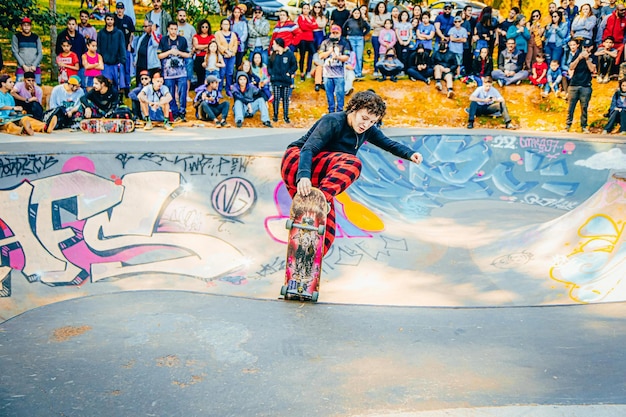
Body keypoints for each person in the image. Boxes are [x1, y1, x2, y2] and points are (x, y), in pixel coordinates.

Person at [280, 90, 423, 256]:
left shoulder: (368, 130)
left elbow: (388, 144)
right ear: (354, 109)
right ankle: (317, 201)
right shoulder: (333, 121)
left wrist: (409, 153)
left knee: (326, 231)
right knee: (352, 163)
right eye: (364, 118)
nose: (366, 125)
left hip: (318, 178)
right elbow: (309, 148)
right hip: (298, 162)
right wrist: (303, 175)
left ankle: (304, 261)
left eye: (372, 122)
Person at [158, 21, 191, 122]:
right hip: (168, 72)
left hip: (181, 71)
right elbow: (159, 55)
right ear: (168, 29)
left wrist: (179, 53)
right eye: (171, 29)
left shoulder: (182, 40)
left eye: (175, 29)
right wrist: (170, 52)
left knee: (182, 92)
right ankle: (175, 112)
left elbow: (188, 54)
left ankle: (182, 112)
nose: (173, 31)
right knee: (170, 93)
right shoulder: (163, 40)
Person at [564, 39, 595, 133]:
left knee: (584, 107)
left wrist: (587, 59)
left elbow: (592, 69)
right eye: (584, 47)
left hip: (586, 85)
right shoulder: (577, 55)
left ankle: (584, 126)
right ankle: (567, 125)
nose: (586, 49)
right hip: (574, 85)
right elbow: (571, 67)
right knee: (570, 107)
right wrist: (579, 58)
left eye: (587, 47)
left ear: (591, 47)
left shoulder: (593, 57)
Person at [319, 24, 351, 113]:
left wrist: (337, 57)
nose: (335, 34)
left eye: (337, 33)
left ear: (340, 33)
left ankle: (340, 111)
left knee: (340, 93)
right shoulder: (325, 42)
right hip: (327, 73)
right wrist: (330, 51)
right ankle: (331, 111)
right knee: (329, 94)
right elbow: (321, 55)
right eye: (333, 32)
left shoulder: (344, 43)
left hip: (339, 74)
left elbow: (347, 56)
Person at [268, 38, 297, 123]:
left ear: (278, 45)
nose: (273, 46)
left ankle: (286, 116)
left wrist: (289, 72)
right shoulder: (273, 55)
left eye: (274, 44)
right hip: (276, 80)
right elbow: (269, 66)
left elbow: (294, 65)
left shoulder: (289, 54)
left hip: (286, 80)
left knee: (285, 98)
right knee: (276, 98)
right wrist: (271, 74)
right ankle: (275, 115)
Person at [98, 13, 126, 90]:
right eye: (108, 19)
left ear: (114, 21)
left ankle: (118, 99)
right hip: (105, 63)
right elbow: (99, 47)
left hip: (116, 62)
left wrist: (122, 59)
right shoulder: (101, 33)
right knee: (106, 83)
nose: (110, 21)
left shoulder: (119, 33)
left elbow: (122, 46)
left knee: (119, 84)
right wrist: (100, 60)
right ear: (105, 20)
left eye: (111, 19)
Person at [11, 17, 43, 84]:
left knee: (36, 88)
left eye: (28, 25)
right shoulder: (16, 37)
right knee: (19, 87)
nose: (26, 27)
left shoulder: (36, 37)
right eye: (24, 25)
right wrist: (23, 65)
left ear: (31, 26)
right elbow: (15, 52)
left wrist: (34, 65)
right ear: (21, 26)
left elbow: (40, 53)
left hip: (35, 67)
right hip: (22, 67)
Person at [114, 2, 135, 95]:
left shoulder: (128, 19)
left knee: (127, 68)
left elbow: (132, 33)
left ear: (124, 9)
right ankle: (118, 87)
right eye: (118, 8)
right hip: (116, 49)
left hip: (126, 47)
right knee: (118, 68)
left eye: (121, 8)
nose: (119, 10)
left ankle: (127, 87)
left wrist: (130, 44)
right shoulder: (113, 19)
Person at [343, 7, 370, 80]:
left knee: (359, 57)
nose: (357, 15)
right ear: (353, 14)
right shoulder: (349, 21)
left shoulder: (362, 21)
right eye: (355, 13)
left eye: (358, 13)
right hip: (351, 39)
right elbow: (343, 28)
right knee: (353, 56)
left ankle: (359, 73)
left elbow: (368, 28)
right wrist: (347, 35)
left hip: (359, 39)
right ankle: (353, 72)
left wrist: (363, 34)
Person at [215, 18, 238, 96]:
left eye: (227, 24)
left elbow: (235, 44)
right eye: (224, 24)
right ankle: (219, 90)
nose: (226, 26)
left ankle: (228, 89)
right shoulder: (218, 33)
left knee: (230, 73)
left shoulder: (233, 34)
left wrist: (231, 52)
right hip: (222, 56)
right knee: (221, 73)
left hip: (231, 56)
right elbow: (218, 44)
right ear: (221, 25)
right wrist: (225, 51)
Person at [134, 19, 161, 85]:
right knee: (139, 81)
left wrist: (153, 32)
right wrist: (135, 59)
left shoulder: (157, 35)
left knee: (149, 82)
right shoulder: (143, 36)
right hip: (140, 63)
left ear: (151, 26)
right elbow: (138, 48)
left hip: (150, 64)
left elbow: (156, 44)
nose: (144, 28)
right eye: (143, 26)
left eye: (146, 26)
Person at [370, 2, 390, 75]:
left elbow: (388, 24)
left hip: (385, 37)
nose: (381, 8)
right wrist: (383, 23)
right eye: (380, 7)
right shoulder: (374, 15)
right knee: (376, 53)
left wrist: (378, 23)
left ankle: (384, 70)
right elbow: (372, 24)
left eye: (383, 7)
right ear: (377, 8)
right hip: (376, 36)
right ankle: (376, 70)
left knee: (384, 53)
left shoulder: (388, 15)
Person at [193, 19, 214, 85]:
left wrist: (201, 48)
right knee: (200, 75)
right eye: (203, 27)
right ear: (200, 27)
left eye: (206, 27)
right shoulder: (196, 36)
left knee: (208, 74)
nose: (204, 28)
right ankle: (200, 89)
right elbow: (196, 46)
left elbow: (213, 46)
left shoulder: (212, 36)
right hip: (199, 58)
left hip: (209, 57)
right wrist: (208, 45)